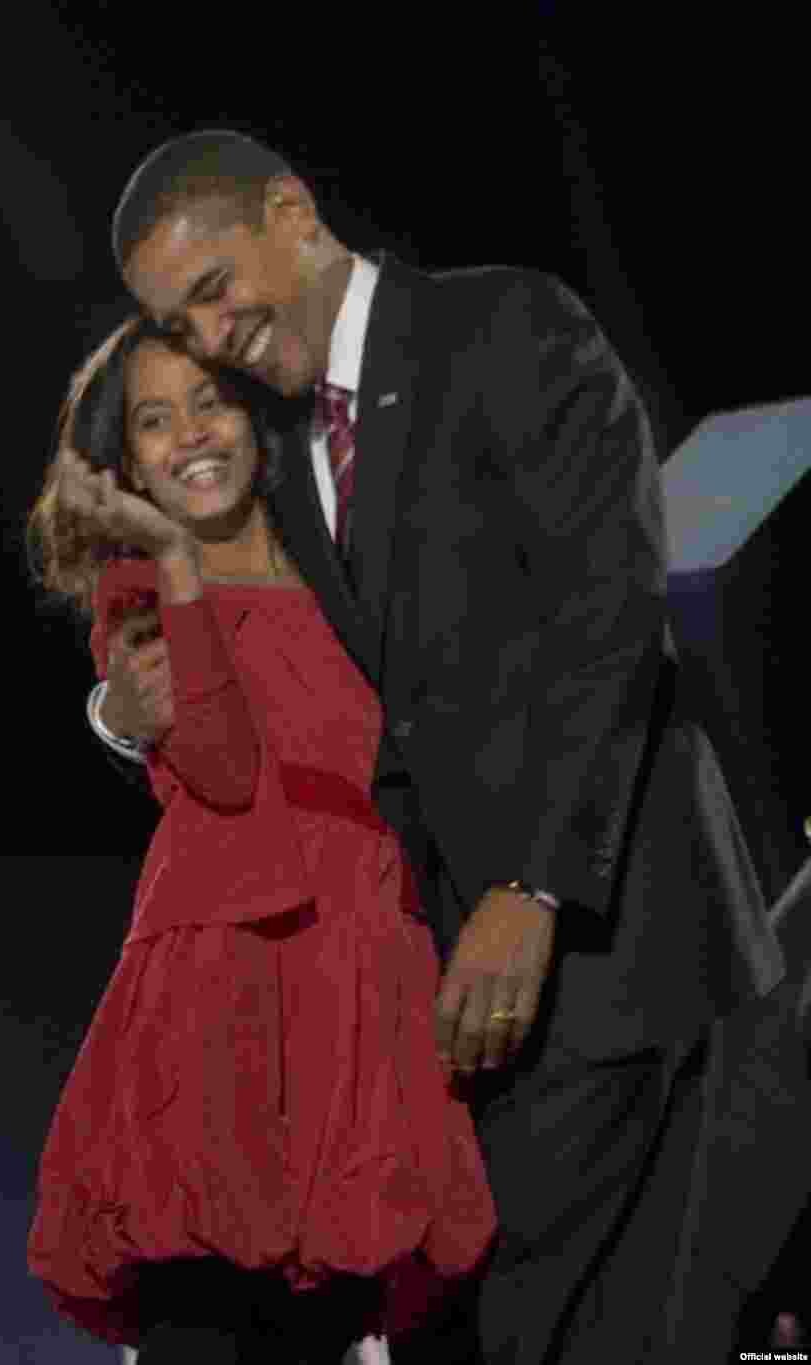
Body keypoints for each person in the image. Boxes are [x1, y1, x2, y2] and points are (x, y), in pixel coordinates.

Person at [75, 130, 787, 1362]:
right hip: (464, 1006)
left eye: (210, 290)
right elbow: (275, 704)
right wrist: (119, 716)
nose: (207, 334)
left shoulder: (503, 329)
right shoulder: (281, 450)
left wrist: (532, 884)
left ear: (291, 213)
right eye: (176, 326)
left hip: (618, 947)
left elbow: (608, 612)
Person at [25, 319, 497, 1365]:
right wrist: (175, 561)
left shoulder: (350, 567)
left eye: (211, 401)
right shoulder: (139, 593)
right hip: (216, 992)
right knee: (200, 1315)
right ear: (124, 461)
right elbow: (227, 770)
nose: (191, 434)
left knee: (324, 1319)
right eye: (155, 419)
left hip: (359, 974)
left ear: (258, 415)